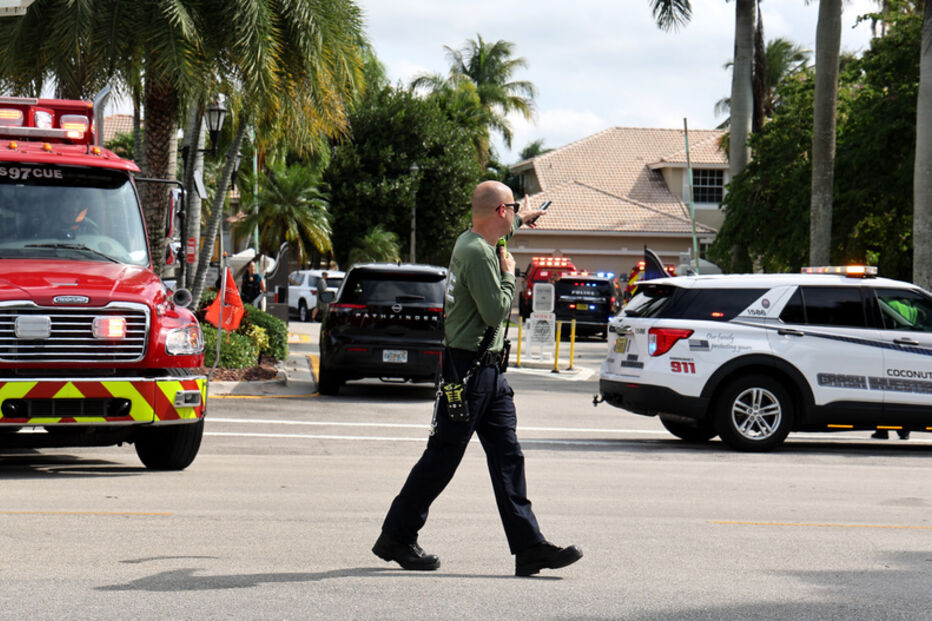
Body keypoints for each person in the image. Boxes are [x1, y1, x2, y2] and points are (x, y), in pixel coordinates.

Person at [372, 181, 583, 577]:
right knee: (441, 460)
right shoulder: (480, 254)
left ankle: (529, 547)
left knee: (508, 457)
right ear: (499, 211)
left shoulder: (477, 239)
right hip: (469, 369)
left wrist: (524, 217)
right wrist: (511, 276)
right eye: (514, 208)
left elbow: (503, 228)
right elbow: (494, 311)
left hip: (488, 371)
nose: (516, 214)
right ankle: (396, 536)